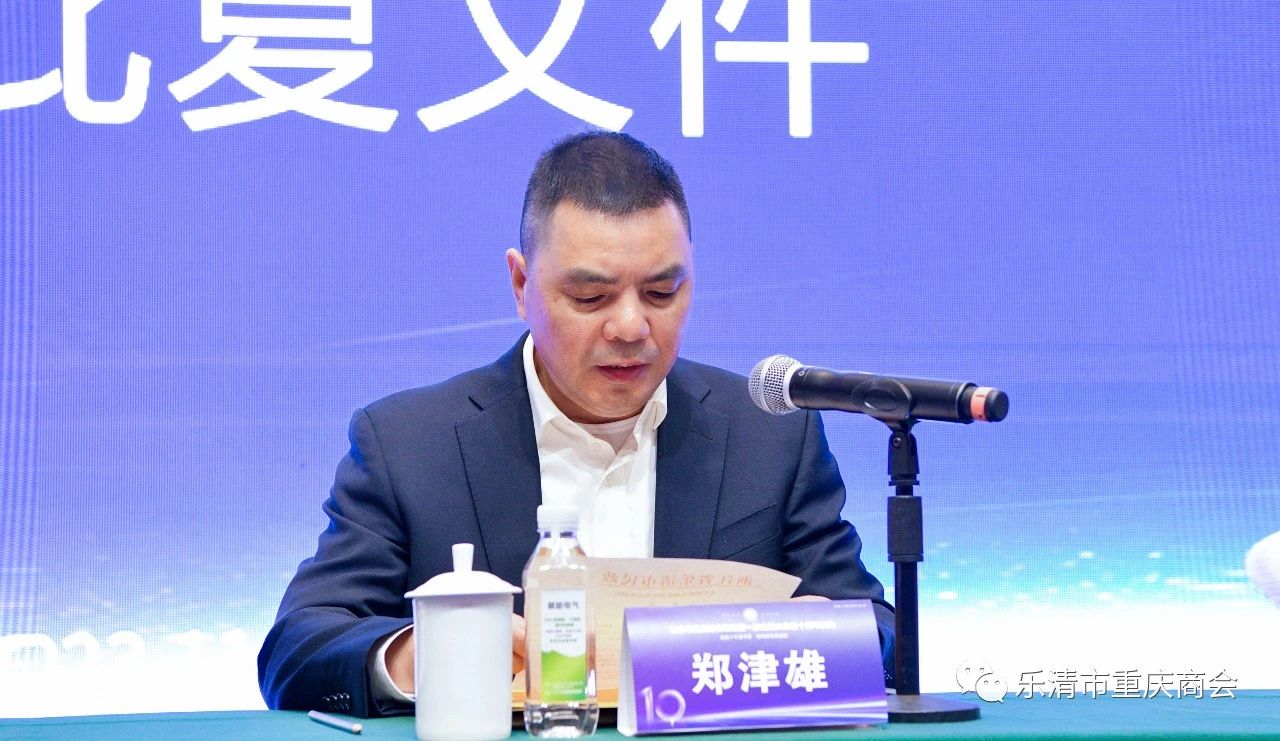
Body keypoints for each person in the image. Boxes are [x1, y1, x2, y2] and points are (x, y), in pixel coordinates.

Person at [258, 132, 894, 718]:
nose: (630, 327)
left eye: (662, 293)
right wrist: (412, 655)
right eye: (591, 298)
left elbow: (885, 634)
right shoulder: (409, 444)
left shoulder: (769, 436)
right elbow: (297, 649)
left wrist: (826, 637)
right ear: (520, 284)